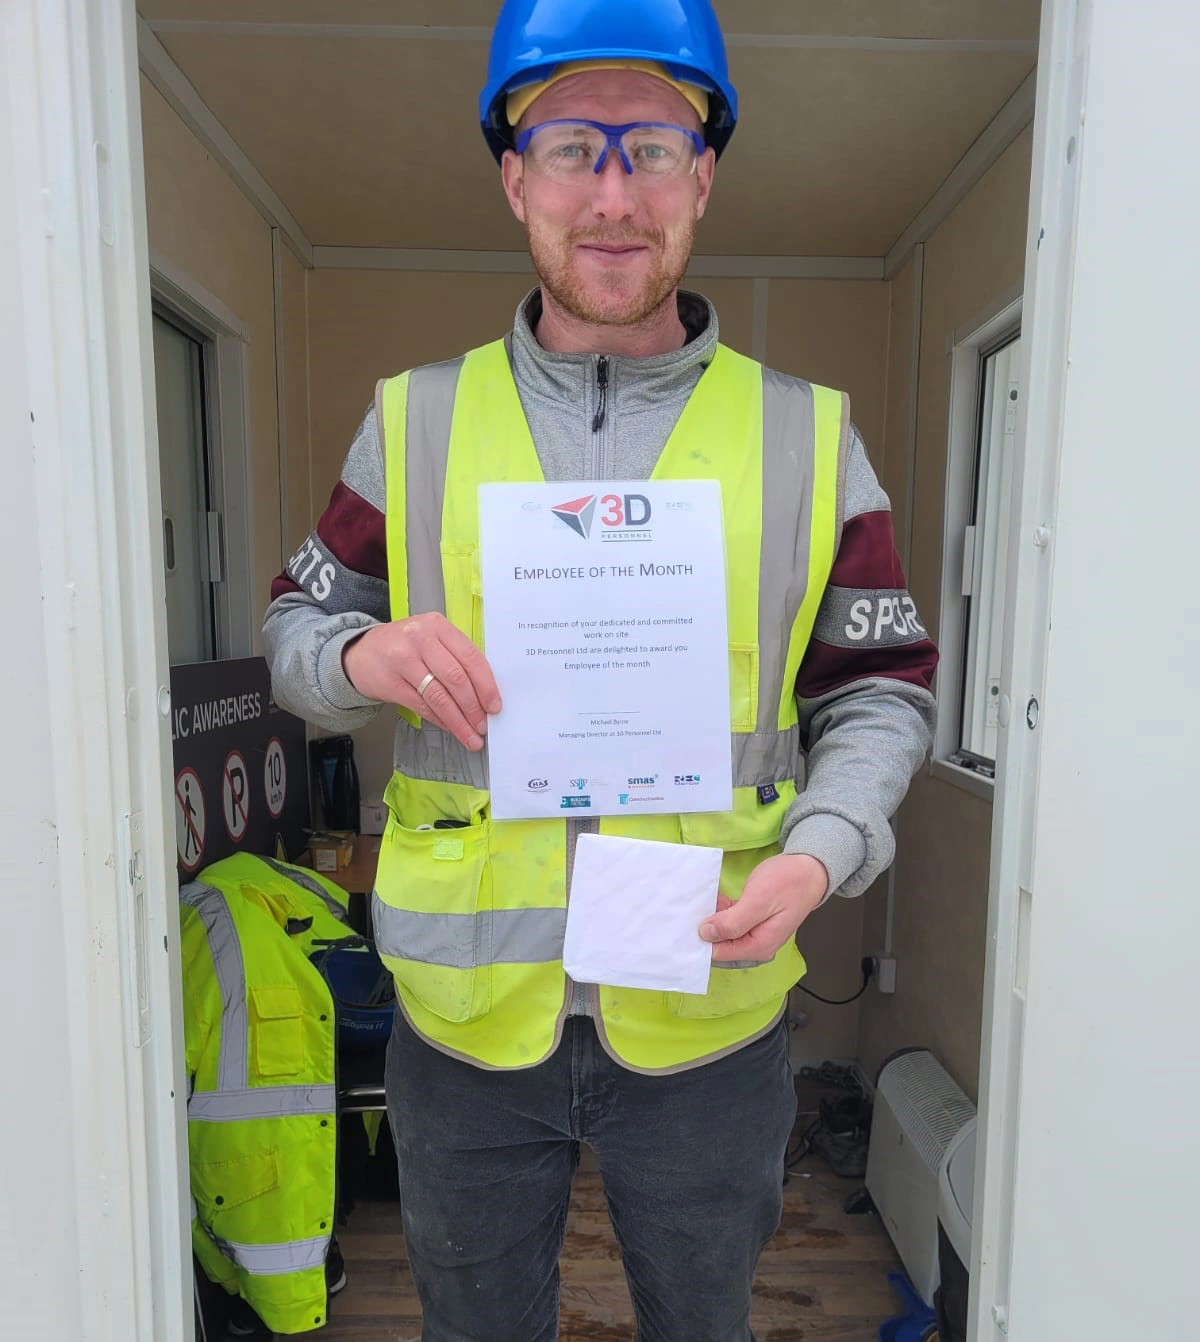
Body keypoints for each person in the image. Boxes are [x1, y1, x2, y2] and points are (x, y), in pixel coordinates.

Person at [263, 2, 938, 1337]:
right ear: (515, 176)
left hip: (704, 1013)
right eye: (574, 144)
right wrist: (363, 652)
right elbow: (294, 637)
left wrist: (821, 856)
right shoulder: (416, 420)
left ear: (705, 176)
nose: (613, 190)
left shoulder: (811, 437)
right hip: (465, 1024)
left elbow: (882, 692)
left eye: (654, 145)